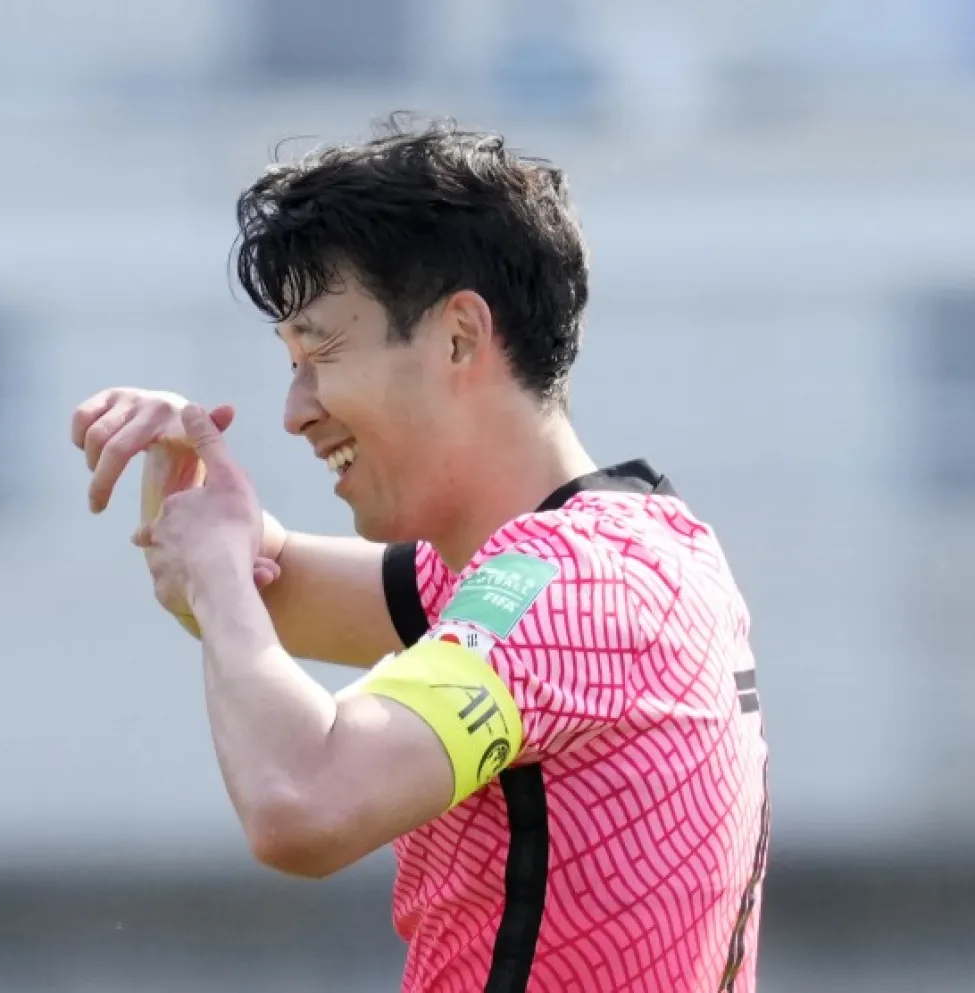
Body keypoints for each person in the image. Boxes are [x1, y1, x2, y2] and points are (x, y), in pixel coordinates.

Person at [71, 117, 769, 993]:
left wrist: (216, 572)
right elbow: (259, 593)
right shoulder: (635, 549)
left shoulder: (567, 589)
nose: (295, 410)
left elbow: (301, 802)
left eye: (320, 352)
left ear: (459, 338)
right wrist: (191, 474)